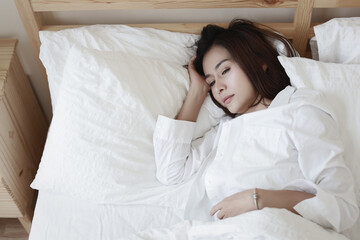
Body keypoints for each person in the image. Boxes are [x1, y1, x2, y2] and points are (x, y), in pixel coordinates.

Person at [153, 19, 358, 232]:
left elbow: (342, 208)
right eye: (212, 82)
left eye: (225, 71)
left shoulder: (299, 110)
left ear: (258, 61)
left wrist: (257, 198)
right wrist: (198, 91)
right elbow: (170, 170)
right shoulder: (223, 132)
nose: (219, 88)